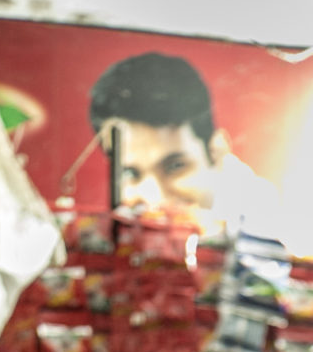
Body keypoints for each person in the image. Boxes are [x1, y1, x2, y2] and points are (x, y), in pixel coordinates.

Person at [85, 50, 281, 237]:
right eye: (130, 173)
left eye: (175, 166)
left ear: (217, 152)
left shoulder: (272, 233)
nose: (154, 198)